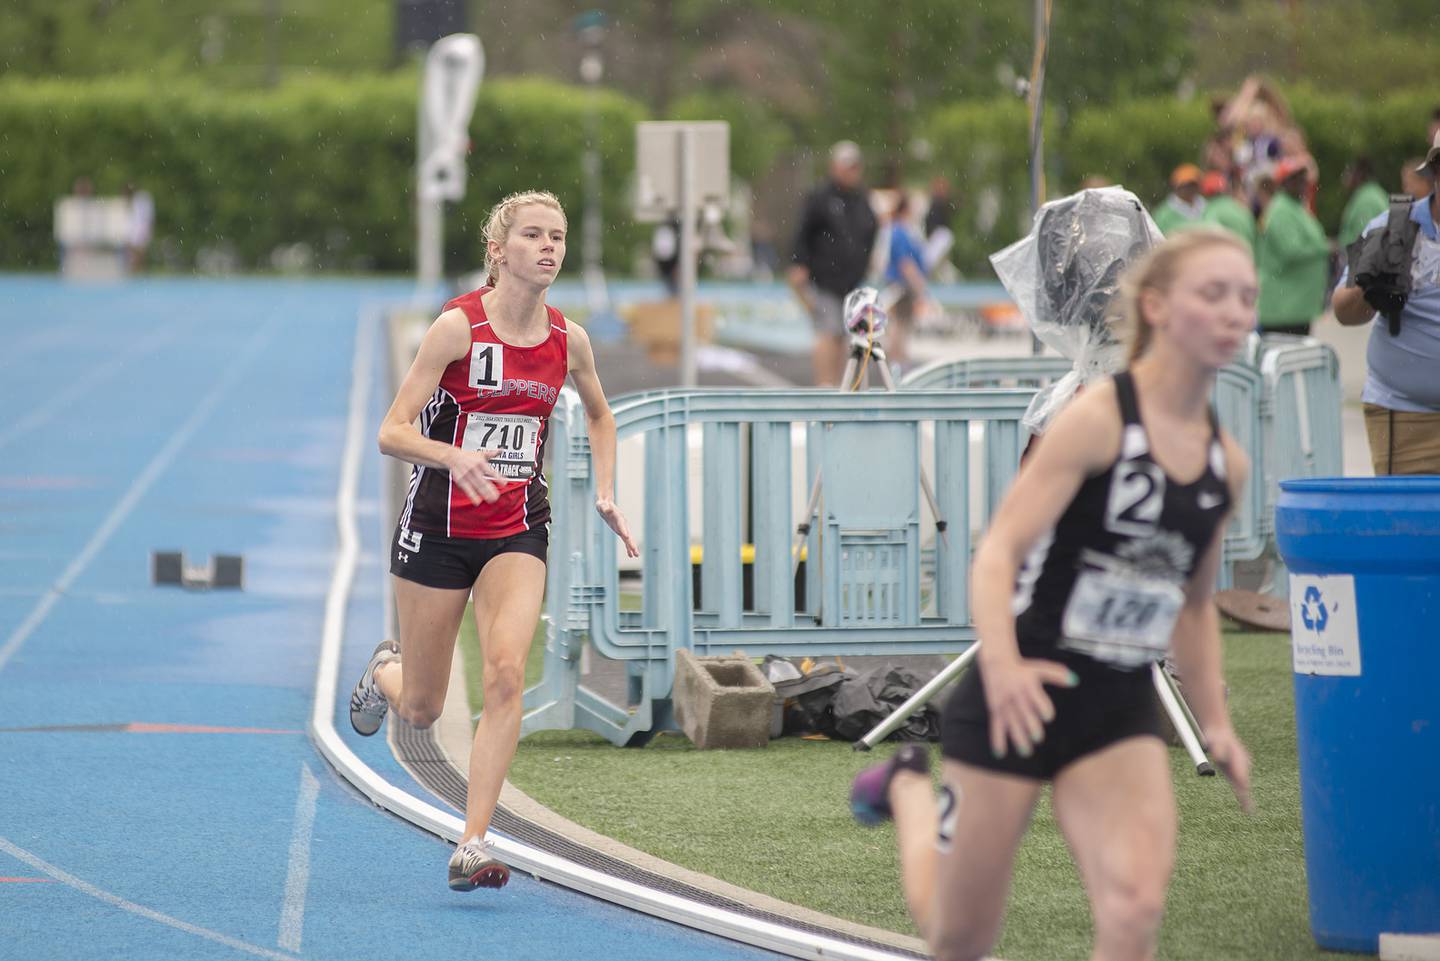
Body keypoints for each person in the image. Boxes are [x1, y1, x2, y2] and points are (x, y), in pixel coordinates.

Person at [850, 227, 1255, 961]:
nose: (1234, 312)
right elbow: (998, 551)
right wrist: (1001, 667)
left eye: (1246, 298)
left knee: (1134, 909)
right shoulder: (1098, 417)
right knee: (957, 934)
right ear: (1158, 307)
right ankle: (910, 787)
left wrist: (1218, 722)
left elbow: (1193, 601)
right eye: (1212, 293)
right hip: (1024, 686)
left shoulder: (1225, 459)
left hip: (1117, 705)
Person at [347, 189, 639, 891]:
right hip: (438, 527)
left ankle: (472, 840)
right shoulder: (456, 329)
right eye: (533, 234)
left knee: (506, 671)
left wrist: (605, 487)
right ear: (498, 250)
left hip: (515, 526)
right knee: (422, 704)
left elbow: (601, 416)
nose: (548, 247)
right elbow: (392, 431)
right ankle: (385, 669)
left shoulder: (569, 340)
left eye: (558, 237)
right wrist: (453, 456)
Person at [1333, 138, 1440, 475]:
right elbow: (1343, 312)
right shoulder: (1393, 227)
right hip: (1405, 416)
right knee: (1409, 526)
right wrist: (1368, 286)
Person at [788, 140, 879, 386]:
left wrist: (866, 263)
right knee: (827, 331)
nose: (852, 173)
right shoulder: (820, 198)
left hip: (851, 282)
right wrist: (799, 264)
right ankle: (825, 385)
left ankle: (841, 386)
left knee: (844, 335)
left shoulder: (862, 201)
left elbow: (871, 232)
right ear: (835, 167)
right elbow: (803, 233)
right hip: (824, 278)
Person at [1256, 155, 1330, 336]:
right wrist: (1325, 248)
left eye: (1303, 178)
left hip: (1296, 308)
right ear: (1283, 183)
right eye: (1295, 179)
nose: (1302, 183)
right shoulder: (1281, 210)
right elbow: (1291, 251)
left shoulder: (1295, 207)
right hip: (1283, 310)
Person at [879, 193, 931, 372]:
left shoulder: (906, 230)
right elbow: (904, 262)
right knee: (898, 325)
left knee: (903, 325)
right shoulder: (899, 231)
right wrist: (919, 284)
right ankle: (896, 362)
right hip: (900, 284)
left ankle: (899, 360)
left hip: (903, 284)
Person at [1338, 157, 1390, 251]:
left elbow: (1365, 239)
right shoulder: (1373, 192)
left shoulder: (1367, 200)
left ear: (1358, 174)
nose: (1345, 176)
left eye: (1349, 172)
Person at [1199, 170, 1256, 251]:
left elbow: (1209, 234)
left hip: (1230, 256)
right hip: (1248, 256)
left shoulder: (1212, 209)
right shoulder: (1240, 208)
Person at [1151, 164, 1206, 236]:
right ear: (1177, 186)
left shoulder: (1208, 206)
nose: (1190, 189)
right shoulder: (1163, 214)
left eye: (1193, 184)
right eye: (1186, 185)